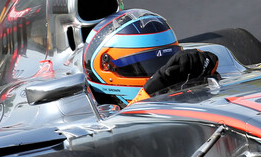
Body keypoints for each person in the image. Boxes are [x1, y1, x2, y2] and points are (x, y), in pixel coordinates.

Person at [83, 9, 218, 106]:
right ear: (106, 68)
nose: (162, 72)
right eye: (148, 64)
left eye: (168, 61)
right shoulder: (89, 123)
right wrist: (149, 94)